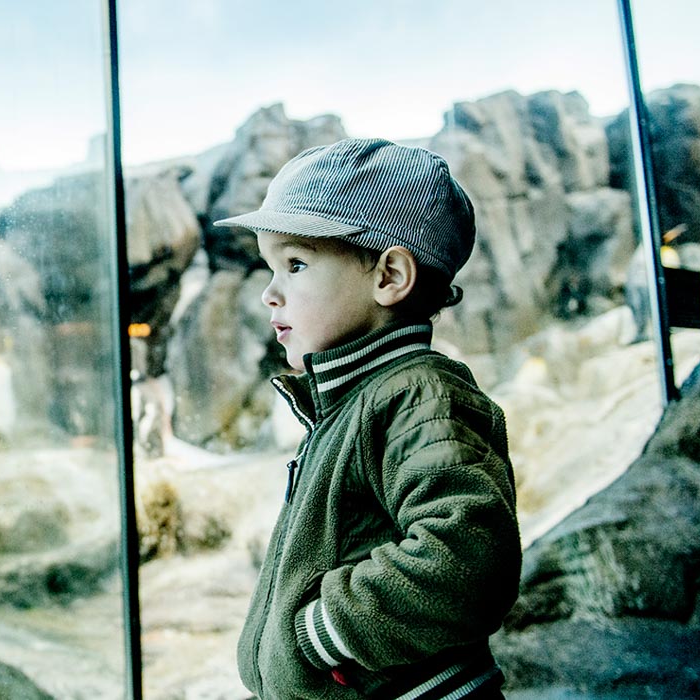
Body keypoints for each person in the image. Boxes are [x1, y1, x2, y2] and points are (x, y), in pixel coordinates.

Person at [214, 138, 521, 699]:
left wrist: (318, 634)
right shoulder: (352, 401)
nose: (269, 294)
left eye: (295, 264)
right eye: (269, 268)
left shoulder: (420, 395)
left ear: (389, 277)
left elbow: (469, 557)